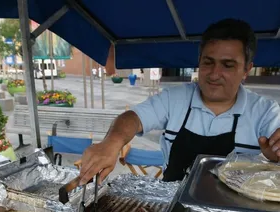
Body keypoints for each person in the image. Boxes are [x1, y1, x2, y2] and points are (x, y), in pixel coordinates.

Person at [78, 18, 280, 184]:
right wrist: (112, 143)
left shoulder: (265, 112)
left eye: (228, 65)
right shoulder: (175, 98)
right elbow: (133, 118)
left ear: (246, 69)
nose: (215, 74)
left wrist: (274, 159)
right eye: (208, 62)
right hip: (173, 207)